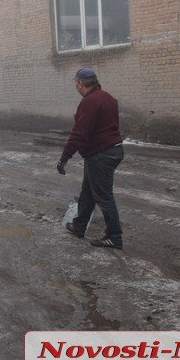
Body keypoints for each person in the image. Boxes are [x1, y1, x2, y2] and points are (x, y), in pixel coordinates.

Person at [57, 67, 125, 249]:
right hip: (110, 151)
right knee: (88, 190)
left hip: (101, 154)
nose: (75, 86)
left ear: (80, 83)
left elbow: (79, 134)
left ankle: (114, 236)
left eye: (75, 83)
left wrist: (64, 157)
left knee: (103, 196)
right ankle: (79, 226)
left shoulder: (89, 102)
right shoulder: (109, 98)